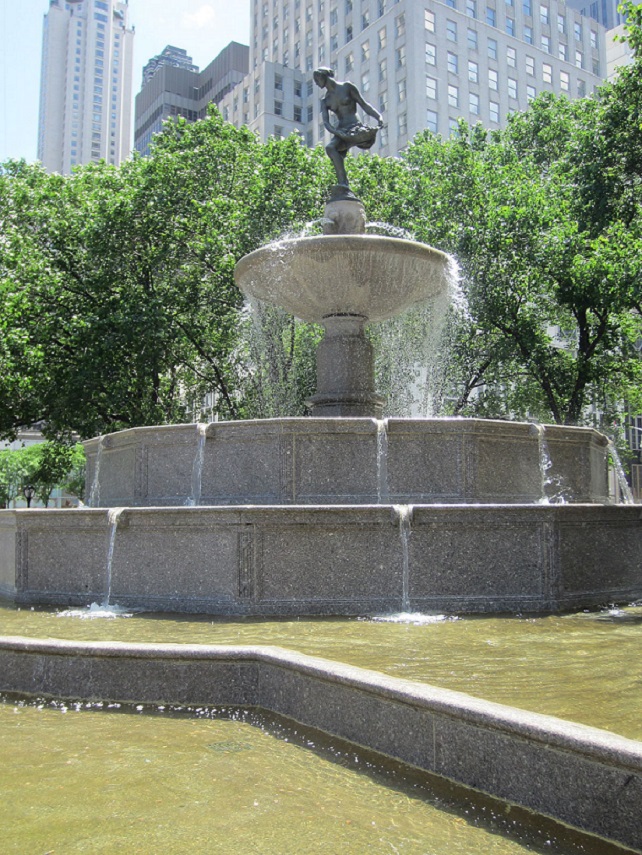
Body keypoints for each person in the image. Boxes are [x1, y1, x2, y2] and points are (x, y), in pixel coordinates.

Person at [313, 67, 384, 189]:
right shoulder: (325, 101)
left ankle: (343, 185)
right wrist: (339, 134)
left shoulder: (347, 87)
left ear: (323, 76)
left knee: (339, 150)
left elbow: (364, 105)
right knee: (330, 148)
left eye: (317, 78)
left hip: (354, 126)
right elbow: (326, 123)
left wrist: (379, 117)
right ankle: (343, 184)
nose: (316, 82)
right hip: (341, 130)